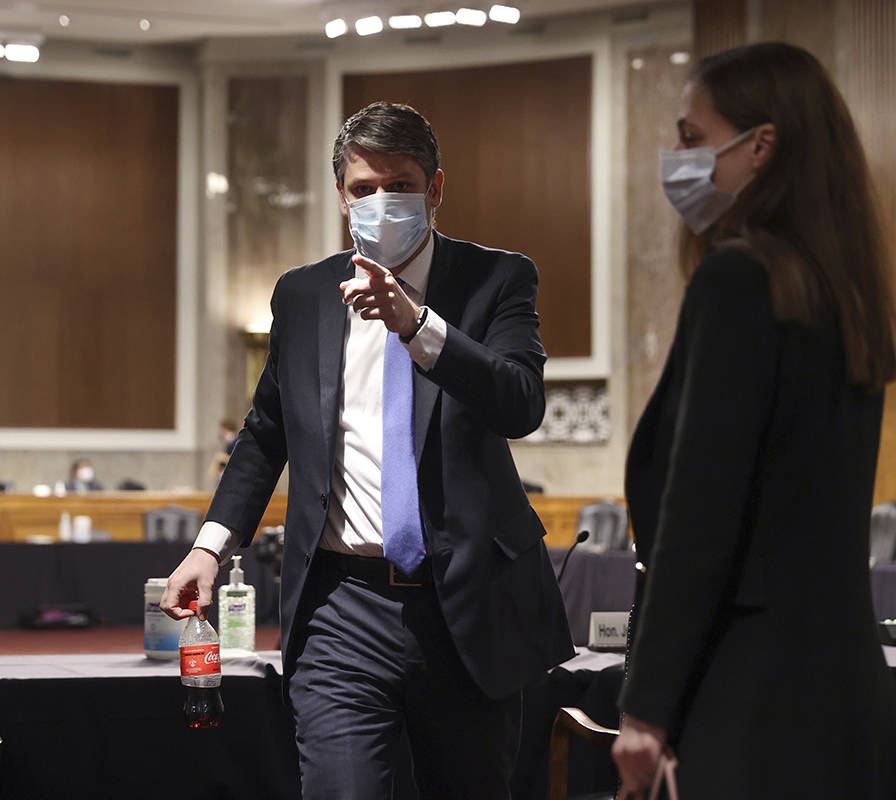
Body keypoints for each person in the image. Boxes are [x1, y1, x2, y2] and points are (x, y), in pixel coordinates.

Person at [162, 101, 573, 799]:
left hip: (466, 608)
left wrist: (420, 327)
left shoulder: (498, 279)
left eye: (401, 185)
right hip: (340, 605)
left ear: (434, 190)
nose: (381, 201)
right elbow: (267, 433)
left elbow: (520, 402)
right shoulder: (302, 294)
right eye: (363, 188)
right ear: (340, 197)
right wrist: (211, 545)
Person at [613, 42, 896, 799]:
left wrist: (645, 709)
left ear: (760, 145)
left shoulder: (739, 281)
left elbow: (701, 516)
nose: (677, 158)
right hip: (846, 692)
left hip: (748, 698)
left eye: (691, 137)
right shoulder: (845, 294)